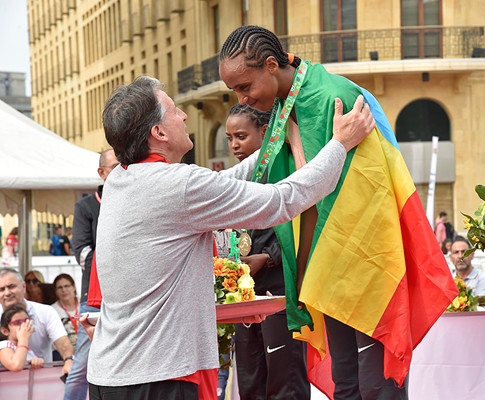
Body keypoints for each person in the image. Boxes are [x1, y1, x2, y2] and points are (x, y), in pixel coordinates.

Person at [86, 76, 374, 400]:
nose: (184, 116)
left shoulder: (120, 178)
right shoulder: (178, 185)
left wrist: (276, 136)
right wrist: (340, 144)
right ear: (159, 133)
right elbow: (282, 201)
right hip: (157, 378)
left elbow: (223, 182)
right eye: (174, 111)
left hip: (111, 373)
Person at [219, 25, 456, 399]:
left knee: (377, 384)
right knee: (346, 382)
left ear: (270, 65)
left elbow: (367, 193)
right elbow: (291, 187)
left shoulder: (334, 96)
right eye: (234, 90)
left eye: (245, 86)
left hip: (364, 263)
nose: (242, 99)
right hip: (326, 264)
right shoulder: (284, 107)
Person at [226, 104, 311, 399]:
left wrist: (268, 257)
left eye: (241, 136)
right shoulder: (234, 181)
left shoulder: (285, 171)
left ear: (265, 132)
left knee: (284, 378)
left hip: (279, 289)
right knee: (250, 379)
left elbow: (299, 225)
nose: (234, 145)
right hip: (244, 293)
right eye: (229, 138)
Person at [64, 148, 119, 400]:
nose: (122, 171)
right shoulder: (86, 206)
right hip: (94, 297)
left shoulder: (134, 200)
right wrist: (122, 256)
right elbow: (82, 254)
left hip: (128, 296)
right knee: (82, 366)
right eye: (116, 167)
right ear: (101, 172)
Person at [0, 268, 73, 376]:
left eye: (11, 286)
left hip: (42, 379)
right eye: (1, 289)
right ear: (4, 330)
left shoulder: (45, 311)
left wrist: (69, 360)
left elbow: (62, 342)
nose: (7, 293)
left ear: (23, 287)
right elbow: (15, 365)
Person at [0, 304, 44, 371]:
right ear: (5, 331)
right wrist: (23, 339)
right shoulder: (4, 345)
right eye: (18, 322)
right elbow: (16, 366)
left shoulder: (26, 349)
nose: (24, 325)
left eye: (27, 321)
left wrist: (38, 361)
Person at [51, 273, 79, 349]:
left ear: (74, 287)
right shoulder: (52, 310)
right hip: (62, 351)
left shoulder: (84, 305)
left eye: (66, 286)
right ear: (55, 291)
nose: (64, 290)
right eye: (60, 287)